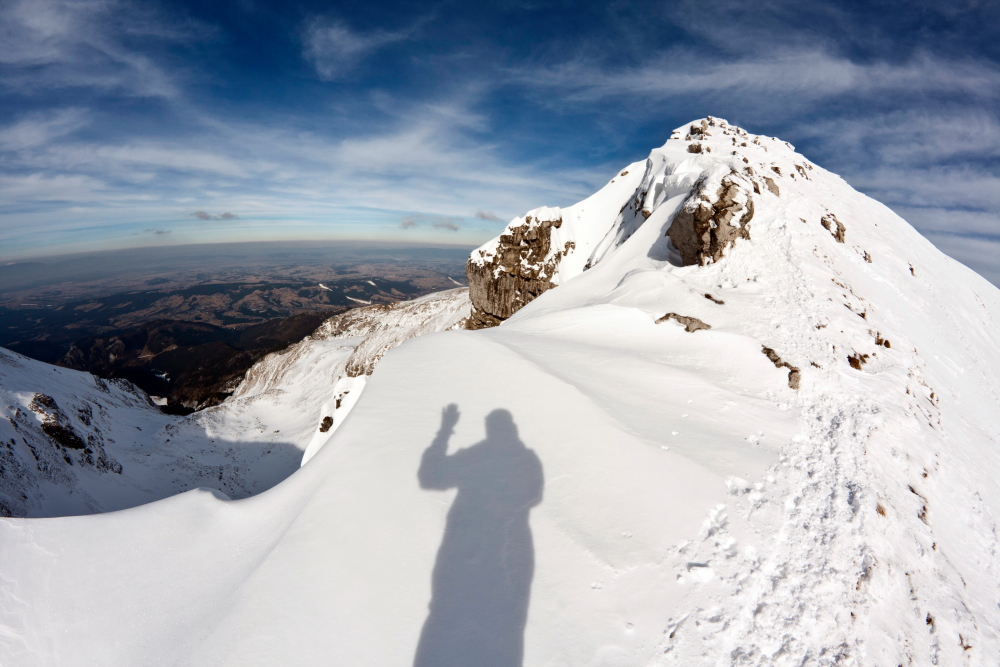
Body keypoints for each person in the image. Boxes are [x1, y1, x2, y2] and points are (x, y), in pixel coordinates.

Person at [414, 404, 544, 667]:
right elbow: (534, 493)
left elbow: (430, 476)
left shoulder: (477, 456)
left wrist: (445, 431)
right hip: (500, 552)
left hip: (468, 553)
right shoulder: (524, 459)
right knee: (500, 628)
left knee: (451, 618)